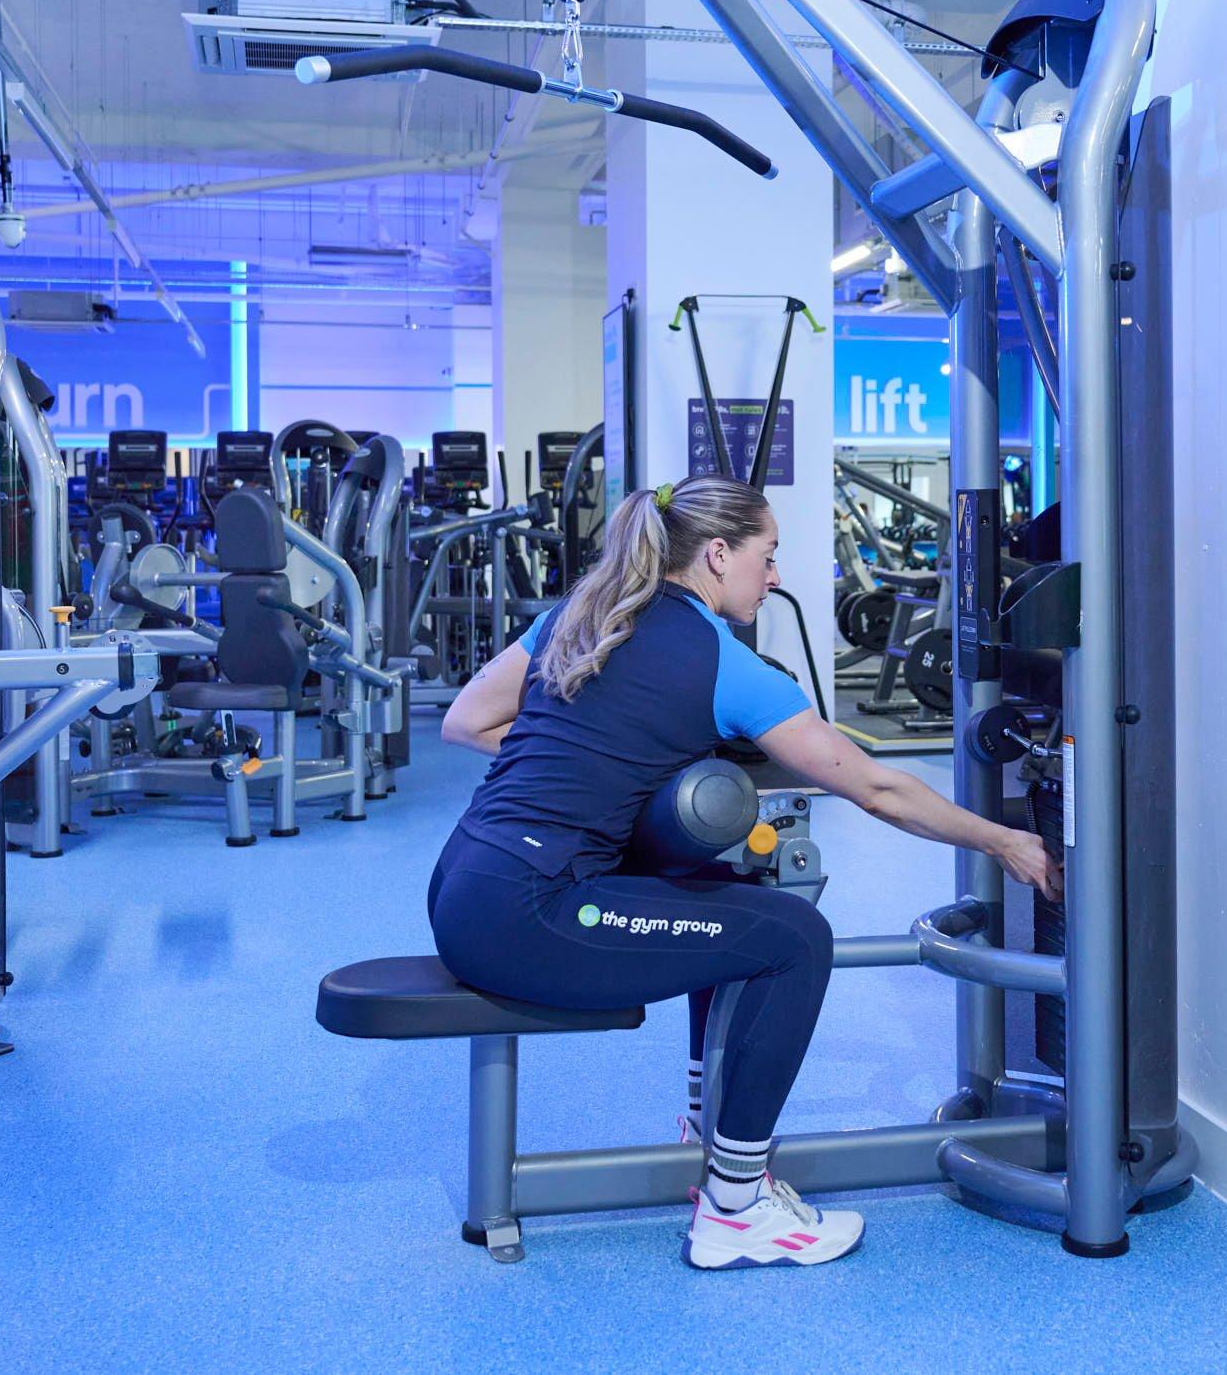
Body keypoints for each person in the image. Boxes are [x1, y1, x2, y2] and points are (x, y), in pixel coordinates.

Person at [428, 474, 1058, 1271]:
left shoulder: (580, 615)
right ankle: (735, 1204)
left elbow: (466, 720)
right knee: (796, 937)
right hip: (530, 912)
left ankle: (708, 1130)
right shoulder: (719, 661)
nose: (777, 574)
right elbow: (876, 786)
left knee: (728, 896)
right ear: (718, 555)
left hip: (465, 880)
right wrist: (1005, 841)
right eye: (769, 555)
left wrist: (597, 760)